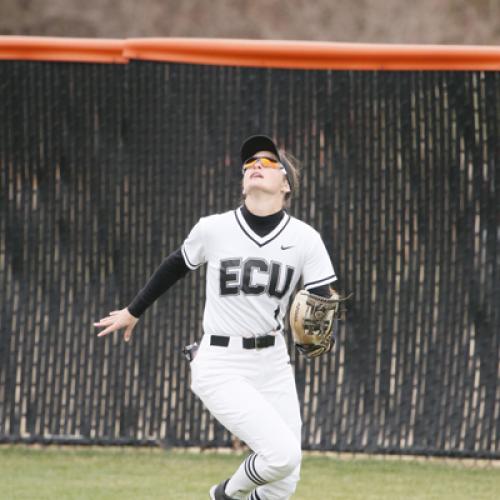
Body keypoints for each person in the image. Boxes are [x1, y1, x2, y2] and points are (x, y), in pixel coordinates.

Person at [94, 135, 338, 500]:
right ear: (242, 183)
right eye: (250, 163)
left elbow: (323, 293)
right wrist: (133, 311)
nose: (256, 165)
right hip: (221, 362)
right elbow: (175, 265)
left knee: (283, 482)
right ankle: (223, 495)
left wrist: (318, 319)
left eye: (269, 162)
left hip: (273, 362)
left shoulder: (305, 238)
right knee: (280, 455)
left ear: (286, 184)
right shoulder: (214, 228)